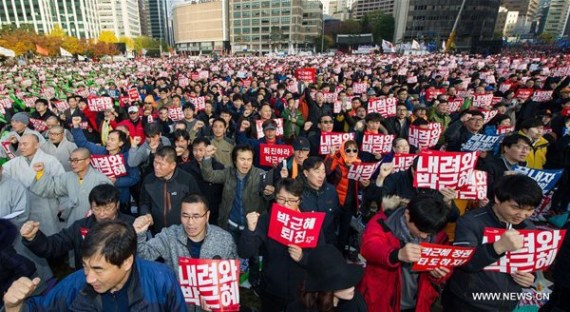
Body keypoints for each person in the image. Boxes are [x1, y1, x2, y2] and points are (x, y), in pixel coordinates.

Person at [3, 220, 187, 312]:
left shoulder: (161, 279)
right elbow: (37, 308)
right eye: (85, 266)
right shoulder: (76, 284)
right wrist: (13, 306)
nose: (89, 278)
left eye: (99, 269)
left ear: (126, 262)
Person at [442, 174, 543, 311]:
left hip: (506, 303)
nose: (522, 214)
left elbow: (530, 263)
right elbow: (463, 262)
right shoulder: (471, 221)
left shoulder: (529, 227)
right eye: (515, 207)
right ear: (497, 198)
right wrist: (497, 247)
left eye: (530, 210)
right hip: (468, 302)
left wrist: (530, 277)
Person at [239, 178, 324, 312]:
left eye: (291, 200)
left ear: (299, 200)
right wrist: (250, 230)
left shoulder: (310, 221)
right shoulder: (266, 219)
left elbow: (321, 258)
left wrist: (302, 257)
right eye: (281, 199)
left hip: (302, 291)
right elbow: (245, 252)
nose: (285, 205)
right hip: (272, 290)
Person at [359, 193, 451, 312]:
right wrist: (397, 254)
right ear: (407, 215)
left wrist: (438, 274)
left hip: (419, 302)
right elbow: (369, 248)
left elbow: (448, 263)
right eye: (420, 230)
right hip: (384, 301)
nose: (423, 235)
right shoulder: (383, 222)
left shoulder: (438, 233)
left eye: (428, 234)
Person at [20, 184, 134, 269]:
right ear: (91, 206)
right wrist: (33, 238)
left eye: (108, 208)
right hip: (89, 279)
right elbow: (54, 246)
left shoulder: (131, 224)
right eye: (97, 209)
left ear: (117, 205)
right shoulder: (81, 226)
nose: (102, 214)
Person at [133, 193, 237, 279]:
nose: (190, 222)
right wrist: (139, 234)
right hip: (180, 301)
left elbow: (232, 274)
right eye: (185, 216)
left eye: (196, 216)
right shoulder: (169, 236)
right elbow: (144, 256)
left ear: (207, 216)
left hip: (213, 301)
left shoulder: (224, 239)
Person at [71, 116, 140, 215]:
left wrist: (117, 181)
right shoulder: (100, 151)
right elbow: (83, 143)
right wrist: (76, 127)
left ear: (120, 143)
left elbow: (134, 178)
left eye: (112, 140)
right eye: (108, 139)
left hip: (121, 198)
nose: (108, 142)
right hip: (101, 198)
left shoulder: (128, 156)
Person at [201, 144, 274, 237]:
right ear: (235, 161)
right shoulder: (228, 173)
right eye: (242, 159)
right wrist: (207, 157)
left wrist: (269, 193)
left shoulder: (261, 175)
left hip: (252, 227)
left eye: (249, 159)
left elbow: (270, 197)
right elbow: (209, 176)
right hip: (230, 225)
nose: (246, 163)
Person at [2, 134, 65, 235]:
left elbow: (61, 185)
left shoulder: (50, 161)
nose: (21, 147)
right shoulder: (13, 164)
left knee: (48, 239)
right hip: (22, 211)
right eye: (20, 144)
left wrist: (62, 206)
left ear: (36, 145)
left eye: (25, 144)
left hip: (46, 208)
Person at [31, 148, 111, 226]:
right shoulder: (67, 177)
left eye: (76, 160)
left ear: (87, 161)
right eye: (71, 160)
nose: (72, 164)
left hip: (94, 225)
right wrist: (40, 173)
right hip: (73, 224)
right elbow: (52, 188)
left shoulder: (101, 180)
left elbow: (110, 206)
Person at [139, 146, 200, 234]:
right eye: (155, 162)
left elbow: (197, 204)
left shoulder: (187, 180)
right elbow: (143, 202)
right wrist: (146, 214)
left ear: (173, 165)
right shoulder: (149, 180)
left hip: (182, 232)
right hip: (158, 233)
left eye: (161, 164)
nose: (156, 167)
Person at [287, 244, 366, 312]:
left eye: (349, 280)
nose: (352, 287)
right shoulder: (298, 308)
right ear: (326, 287)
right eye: (344, 284)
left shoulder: (356, 305)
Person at [299, 156, 340, 245]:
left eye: (323, 171)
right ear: (306, 173)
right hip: (307, 243)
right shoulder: (297, 194)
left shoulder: (331, 191)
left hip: (328, 242)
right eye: (317, 172)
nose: (321, 176)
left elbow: (336, 216)